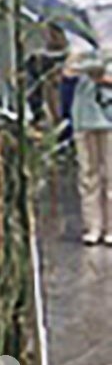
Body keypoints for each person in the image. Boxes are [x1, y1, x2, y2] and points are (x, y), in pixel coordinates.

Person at [68, 53, 112, 246]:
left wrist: (103, 78)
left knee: (110, 174)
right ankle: (92, 226)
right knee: (88, 173)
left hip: (109, 117)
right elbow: (65, 74)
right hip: (83, 118)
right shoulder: (78, 45)